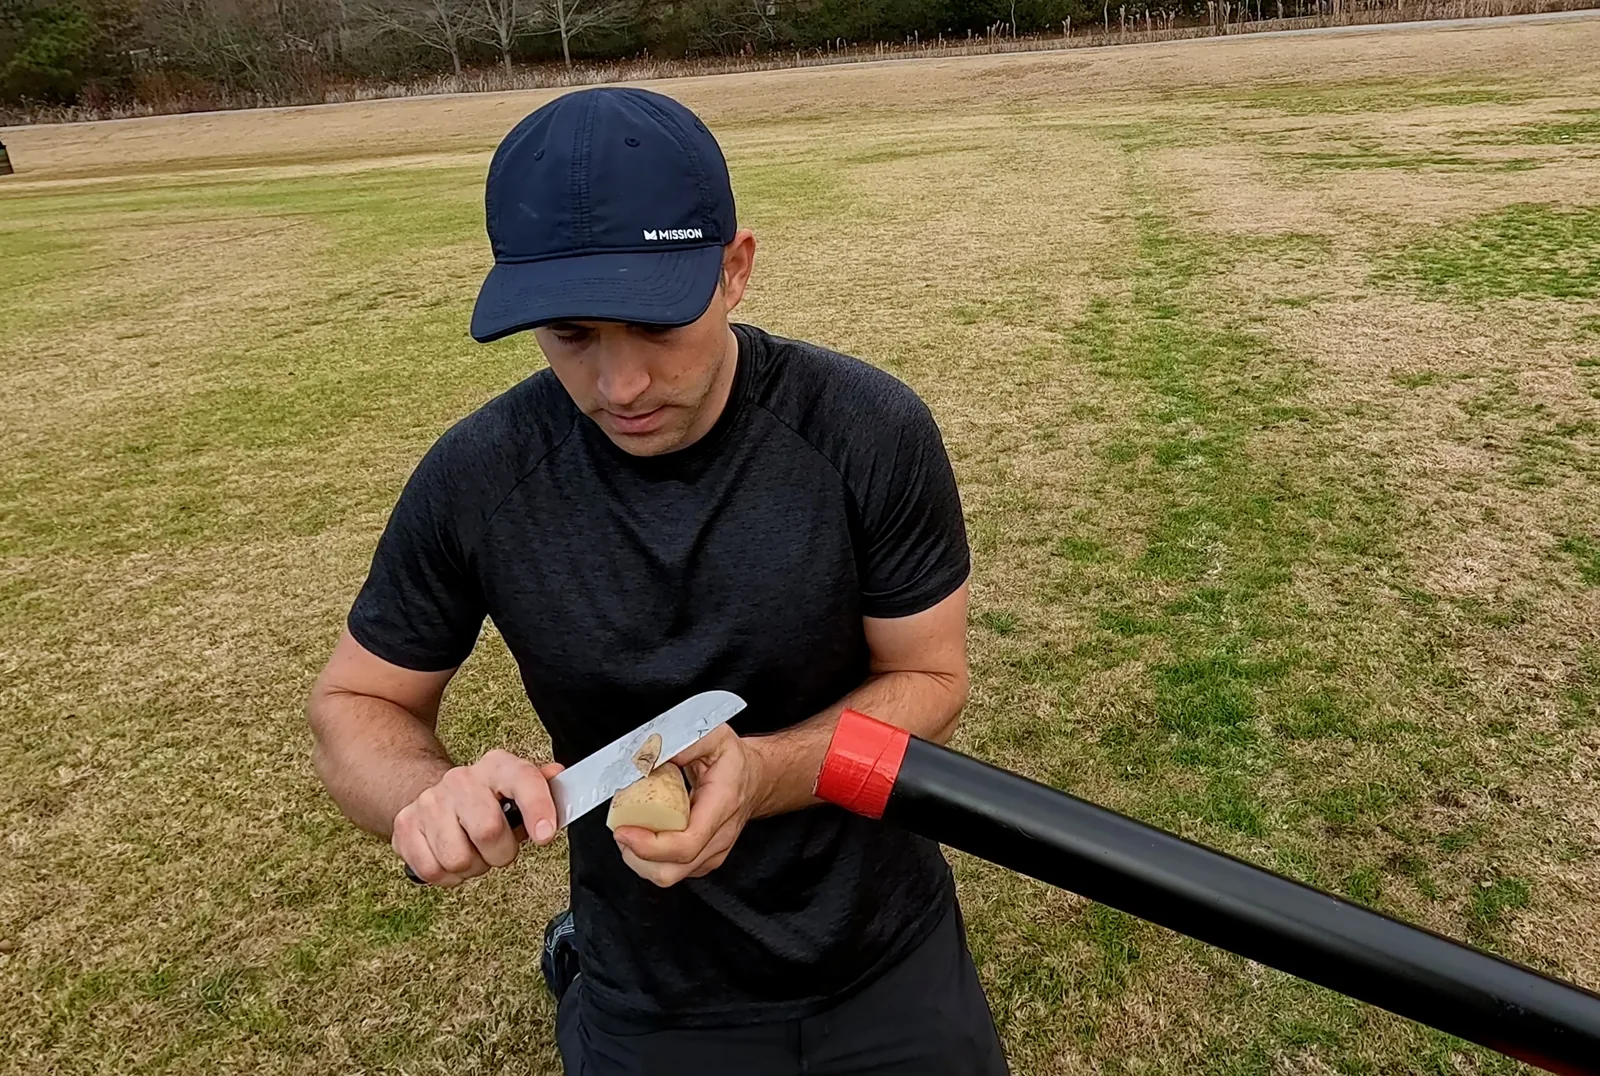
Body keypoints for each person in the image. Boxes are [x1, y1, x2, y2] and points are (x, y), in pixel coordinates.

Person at [306, 86, 1008, 1076]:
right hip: (648, 993)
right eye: (572, 336)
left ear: (734, 270)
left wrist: (763, 773)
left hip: (883, 956)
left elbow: (931, 682)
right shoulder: (479, 476)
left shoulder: (866, 431)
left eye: (655, 326)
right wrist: (425, 790)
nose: (619, 385)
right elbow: (357, 701)